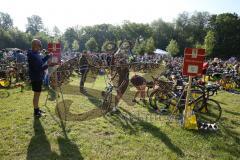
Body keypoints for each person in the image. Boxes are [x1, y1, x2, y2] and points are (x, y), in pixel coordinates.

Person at [27, 39, 51, 117]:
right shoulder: (32, 55)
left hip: (38, 77)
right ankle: (36, 112)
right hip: (36, 77)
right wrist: (48, 65)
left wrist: (48, 56)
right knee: (36, 95)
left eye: (40, 45)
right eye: (39, 45)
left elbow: (41, 61)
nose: (41, 47)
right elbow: (38, 68)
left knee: (37, 94)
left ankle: (37, 109)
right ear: (35, 45)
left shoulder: (36, 53)